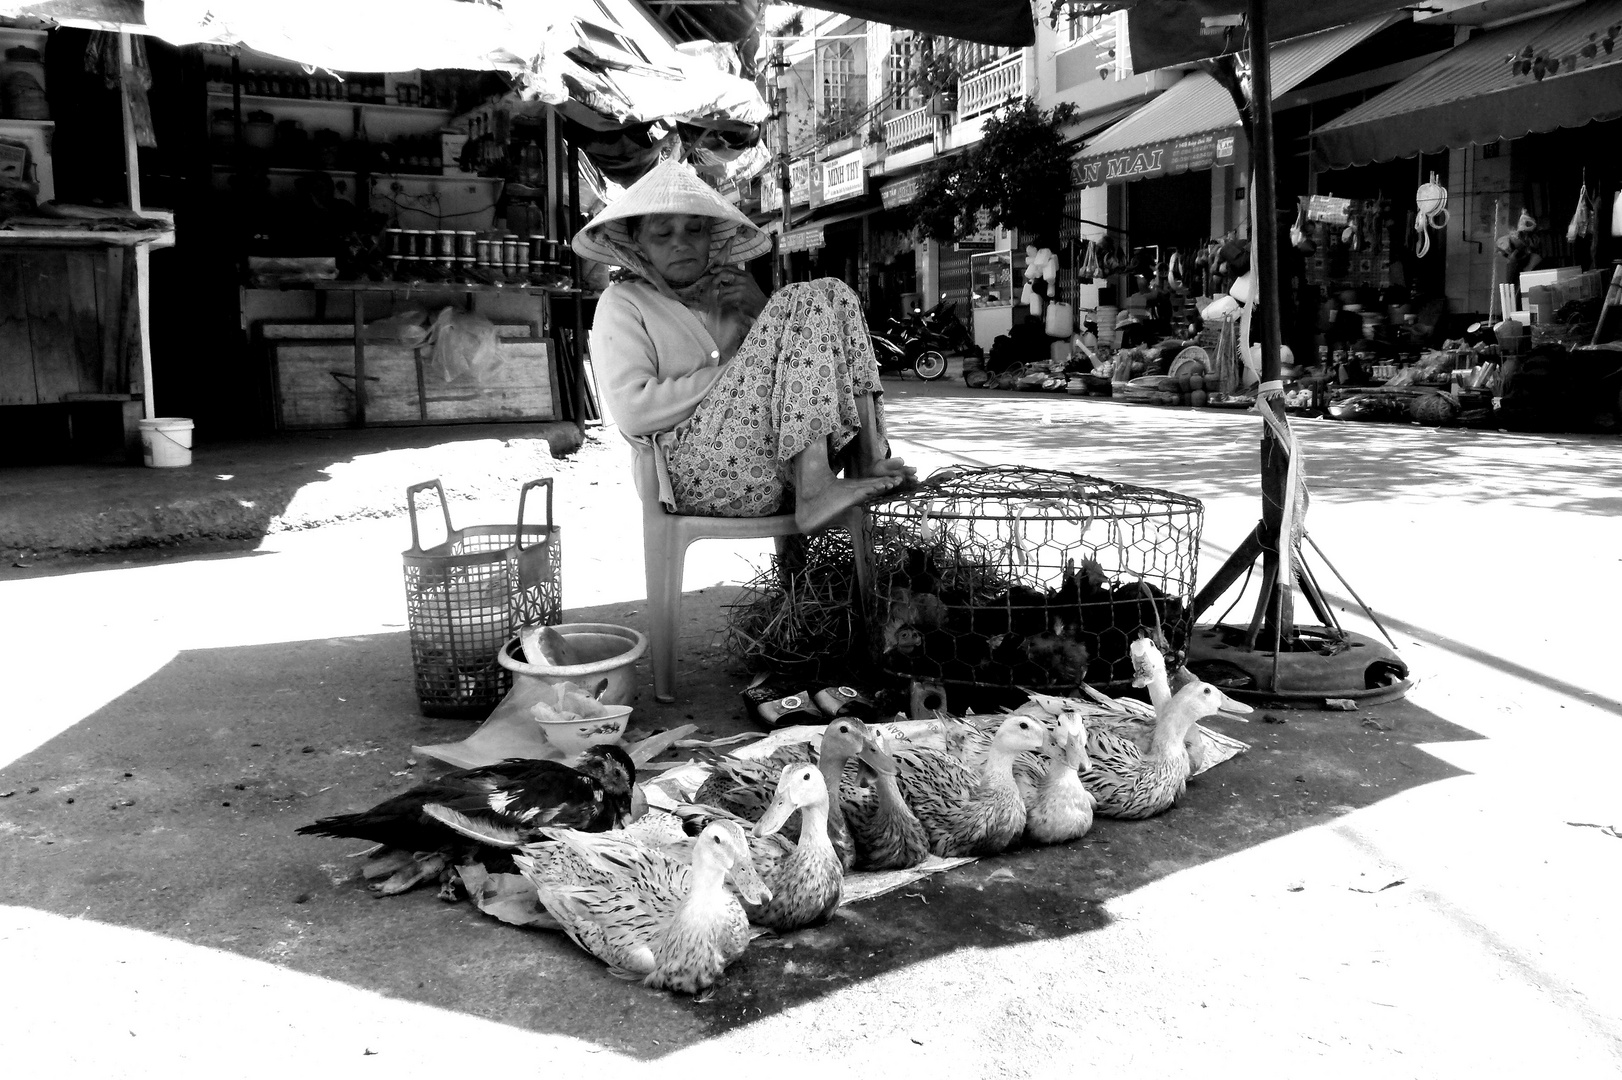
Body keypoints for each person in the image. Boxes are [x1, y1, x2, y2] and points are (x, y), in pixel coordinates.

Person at [577, 157, 912, 532]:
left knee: (835, 292)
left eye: (694, 230)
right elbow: (634, 411)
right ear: (638, 243)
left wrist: (762, 309)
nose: (681, 243)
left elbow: (793, 382)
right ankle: (815, 487)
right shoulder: (622, 303)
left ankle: (864, 459)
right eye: (662, 234)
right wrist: (743, 365)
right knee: (797, 298)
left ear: (710, 237)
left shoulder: (734, 297)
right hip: (694, 477)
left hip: (776, 467)